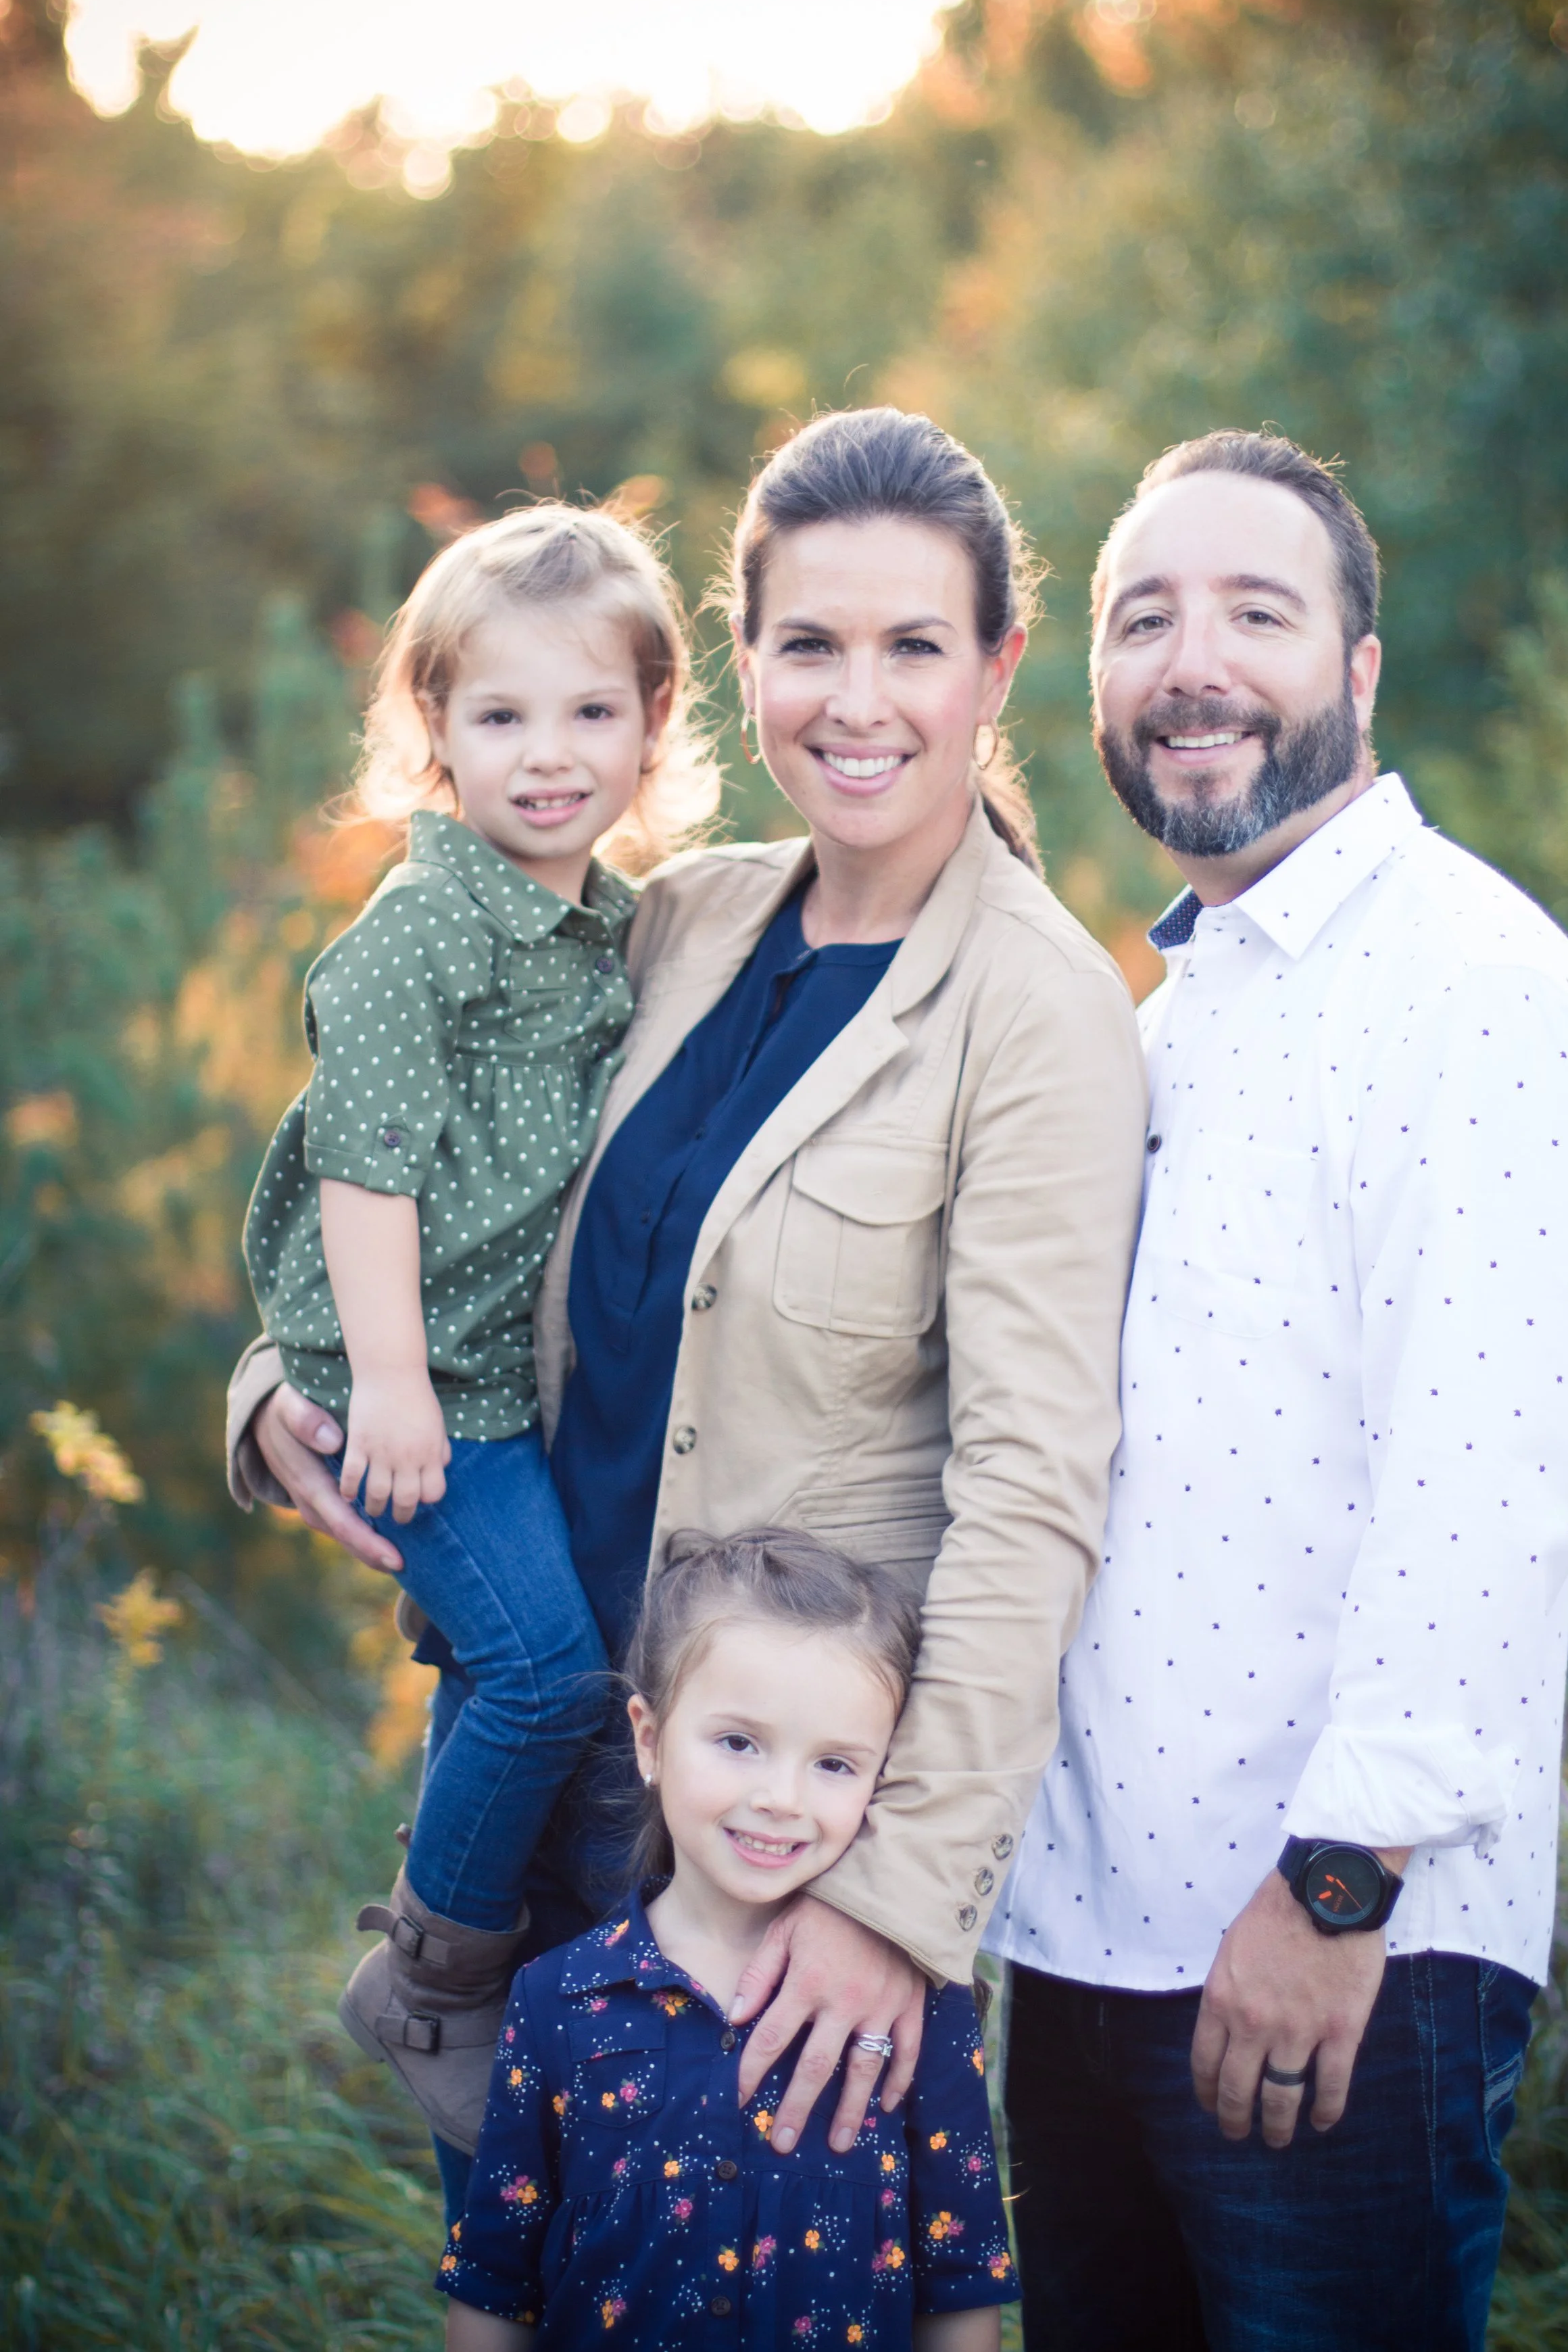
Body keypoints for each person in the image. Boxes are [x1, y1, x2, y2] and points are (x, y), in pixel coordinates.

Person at [226, 407, 1146, 2213]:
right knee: (526, 2286)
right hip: (539, 1759)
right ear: (739, 662)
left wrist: (898, 1900)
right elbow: (417, 1159)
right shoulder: (671, 925)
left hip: (777, 1859)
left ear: (996, 666)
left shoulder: (1037, 1011)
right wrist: (282, 1378)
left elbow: (1035, 1493)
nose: (857, 700)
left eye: (912, 645)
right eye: (810, 644)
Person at [993, 429, 1568, 2351]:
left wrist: (1335, 1885)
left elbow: (1485, 1478)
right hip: (1083, 1939)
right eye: (1141, 620)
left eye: (1254, 614)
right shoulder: (1165, 1016)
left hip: (1337, 1947)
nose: (1191, 663)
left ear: (1357, 667)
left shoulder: (1473, 978)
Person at [241, 502, 717, 2153]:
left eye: (591, 710)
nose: (549, 754)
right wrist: (384, 1385)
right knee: (543, 1675)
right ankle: (431, 1980)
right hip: (419, 1380)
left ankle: (475, 1991)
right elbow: (365, 1170)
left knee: (511, 1665)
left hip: (495, 1383)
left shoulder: (608, 924)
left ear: (653, 725)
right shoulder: (424, 929)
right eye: (502, 714)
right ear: (433, 728)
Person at [439, 1529, 1018, 2351]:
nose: (781, 1797)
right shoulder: (555, 1998)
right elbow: (495, 2280)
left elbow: (961, 2278)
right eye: (739, 1743)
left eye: (835, 1764)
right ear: (649, 1740)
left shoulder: (921, 2008)